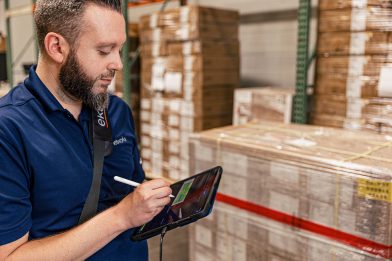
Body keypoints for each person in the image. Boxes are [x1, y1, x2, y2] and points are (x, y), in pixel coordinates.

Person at [0, 0, 172, 260]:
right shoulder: (9, 129)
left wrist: (151, 199)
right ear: (57, 47)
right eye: (104, 51)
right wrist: (122, 216)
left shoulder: (117, 111)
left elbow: (128, 188)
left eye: (120, 50)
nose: (118, 64)